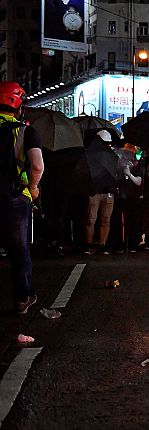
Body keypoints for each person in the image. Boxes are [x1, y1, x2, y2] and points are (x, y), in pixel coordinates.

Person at [0, 81, 44, 315]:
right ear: (18, 106)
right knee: (19, 250)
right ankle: (23, 297)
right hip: (15, 197)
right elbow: (37, 166)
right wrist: (34, 187)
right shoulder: (25, 131)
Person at [83, 130, 118, 255]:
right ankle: (92, 244)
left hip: (100, 191)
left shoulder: (90, 155)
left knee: (96, 219)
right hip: (101, 192)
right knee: (95, 219)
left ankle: (96, 244)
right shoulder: (111, 156)